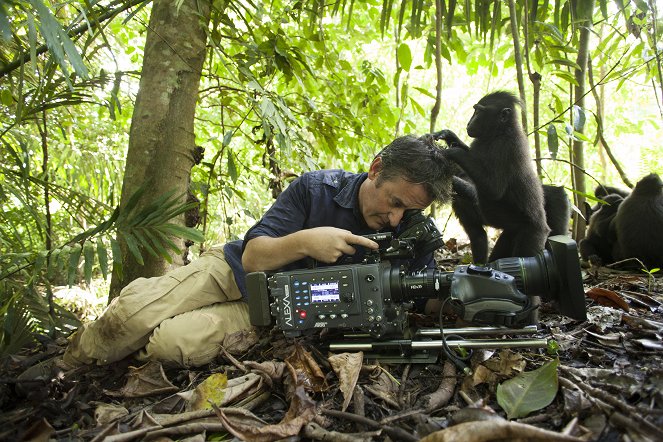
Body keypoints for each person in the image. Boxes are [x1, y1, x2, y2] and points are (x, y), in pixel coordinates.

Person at [62, 134, 454, 367]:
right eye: (396, 202)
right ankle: (69, 362)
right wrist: (306, 241)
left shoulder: (413, 233)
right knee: (131, 316)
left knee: (172, 343)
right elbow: (253, 256)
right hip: (233, 270)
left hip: (270, 311)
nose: (397, 218)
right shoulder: (318, 189)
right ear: (375, 169)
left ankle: (131, 355)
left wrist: (467, 291)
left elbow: (429, 299)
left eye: (410, 210)